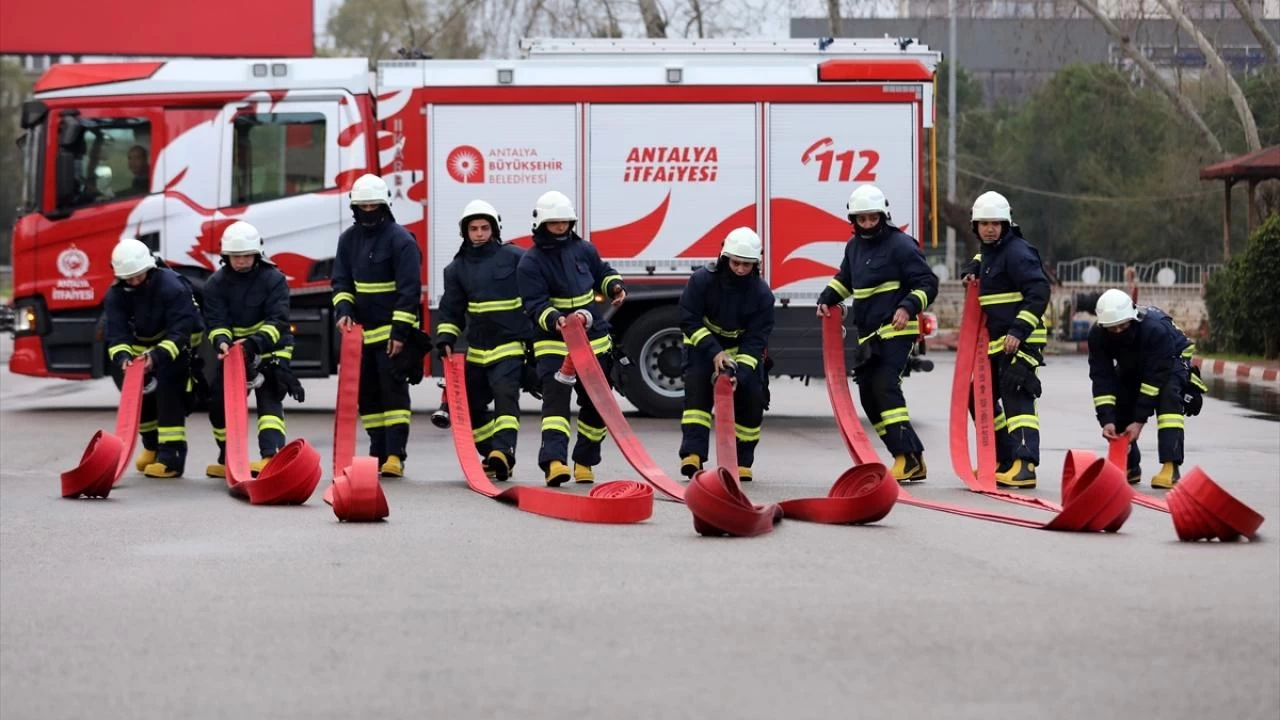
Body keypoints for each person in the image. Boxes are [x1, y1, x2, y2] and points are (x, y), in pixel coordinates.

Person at [815, 184, 938, 483]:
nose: (868, 224)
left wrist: (907, 307)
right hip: (869, 334)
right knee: (868, 394)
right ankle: (911, 457)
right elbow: (845, 280)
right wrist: (826, 298)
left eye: (873, 218)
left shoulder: (901, 245)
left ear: (883, 216)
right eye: (862, 219)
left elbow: (927, 283)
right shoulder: (854, 248)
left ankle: (905, 457)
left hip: (897, 330)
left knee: (884, 385)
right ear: (854, 220)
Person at [516, 190, 625, 487]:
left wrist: (614, 286)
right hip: (554, 343)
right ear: (541, 224)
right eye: (555, 223)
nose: (561, 227)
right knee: (555, 406)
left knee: (597, 404)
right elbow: (534, 304)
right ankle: (554, 463)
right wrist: (555, 319)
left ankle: (585, 461)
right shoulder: (531, 262)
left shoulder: (584, 249)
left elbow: (602, 272)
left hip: (593, 340)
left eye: (565, 222)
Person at [331, 173, 424, 477]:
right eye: (363, 207)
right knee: (367, 396)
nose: (369, 212)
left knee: (393, 395)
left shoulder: (401, 240)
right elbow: (341, 283)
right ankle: (378, 451)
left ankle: (395, 455)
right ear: (355, 208)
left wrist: (400, 333)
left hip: (391, 334)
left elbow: (409, 291)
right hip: (360, 336)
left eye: (373, 206)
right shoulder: (348, 240)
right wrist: (344, 309)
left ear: (384, 205)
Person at [958, 191, 1050, 488]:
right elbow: (983, 258)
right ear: (976, 227)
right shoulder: (990, 252)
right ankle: (1000, 458)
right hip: (1001, 342)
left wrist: (1018, 331)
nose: (990, 229)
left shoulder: (1018, 252)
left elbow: (1039, 293)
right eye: (984, 224)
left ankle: (1024, 466)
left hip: (1023, 340)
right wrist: (972, 269)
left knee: (1016, 396)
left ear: (1006, 224)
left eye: (995, 223)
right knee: (978, 396)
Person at [434, 200, 532, 481]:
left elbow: (536, 293)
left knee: (505, 399)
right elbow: (451, 310)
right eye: (474, 228)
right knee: (470, 407)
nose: (479, 233)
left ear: (494, 229)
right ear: (465, 232)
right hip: (477, 351)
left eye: (484, 228)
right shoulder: (456, 269)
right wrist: (445, 337)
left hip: (509, 346)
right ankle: (492, 454)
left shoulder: (516, 258)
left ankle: (504, 451)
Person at [677, 227, 775, 481]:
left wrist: (739, 375)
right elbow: (688, 319)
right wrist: (714, 352)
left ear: (755, 264)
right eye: (736, 263)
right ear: (724, 258)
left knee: (751, 398)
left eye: (746, 264)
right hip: (704, 345)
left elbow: (756, 340)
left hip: (741, 348)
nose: (741, 269)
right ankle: (693, 455)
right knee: (697, 395)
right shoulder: (702, 280)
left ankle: (742, 461)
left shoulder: (762, 294)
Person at [203, 221, 299, 478]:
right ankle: (228, 457)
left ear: (257, 254)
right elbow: (216, 322)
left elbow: (278, 321)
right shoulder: (215, 284)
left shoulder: (274, 279)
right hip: (234, 355)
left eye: (246, 255)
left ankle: (271, 457)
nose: (241, 261)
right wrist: (222, 341)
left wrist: (252, 345)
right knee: (219, 403)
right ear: (226, 256)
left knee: (269, 400)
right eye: (236, 256)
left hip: (270, 351)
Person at [103, 237, 205, 478]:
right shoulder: (116, 295)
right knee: (139, 398)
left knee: (169, 398)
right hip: (140, 353)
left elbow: (181, 331)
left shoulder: (172, 286)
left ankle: (171, 459)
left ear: (149, 268)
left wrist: (157, 356)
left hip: (173, 347)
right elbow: (116, 334)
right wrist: (124, 358)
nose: (134, 281)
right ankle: (151, 447)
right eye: (129, 278)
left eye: (138, 276)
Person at [1087, 288, 1203, 488]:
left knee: (1167, 395)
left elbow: (1154, 379)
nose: (1118, 332)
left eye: (1122, 326)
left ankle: (1170, 467)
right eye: (1112, 328)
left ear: (1132, 319)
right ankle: (1130, 465)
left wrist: (1139, 421)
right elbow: (1102, 378)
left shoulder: (1154, 330)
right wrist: (1107, 420)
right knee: (1120, 396)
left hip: (1172, 358)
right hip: (1135, 361)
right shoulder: (1098, 335)